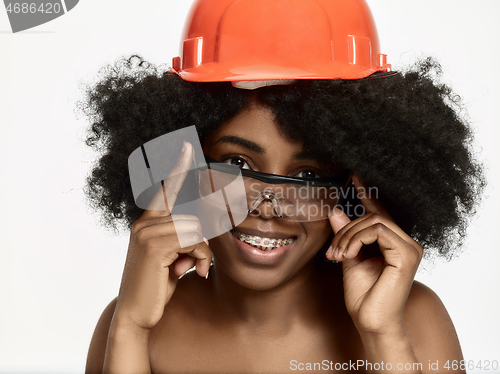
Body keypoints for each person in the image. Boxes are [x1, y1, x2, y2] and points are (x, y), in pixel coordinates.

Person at [82, 0, 485, 373]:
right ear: (181, 169)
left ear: (353, 185)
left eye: (308, 175)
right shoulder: (133, 321)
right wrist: (131, 328)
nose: (269, 206)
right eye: (237, 163)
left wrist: (382, 336)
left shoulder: (412, 318)